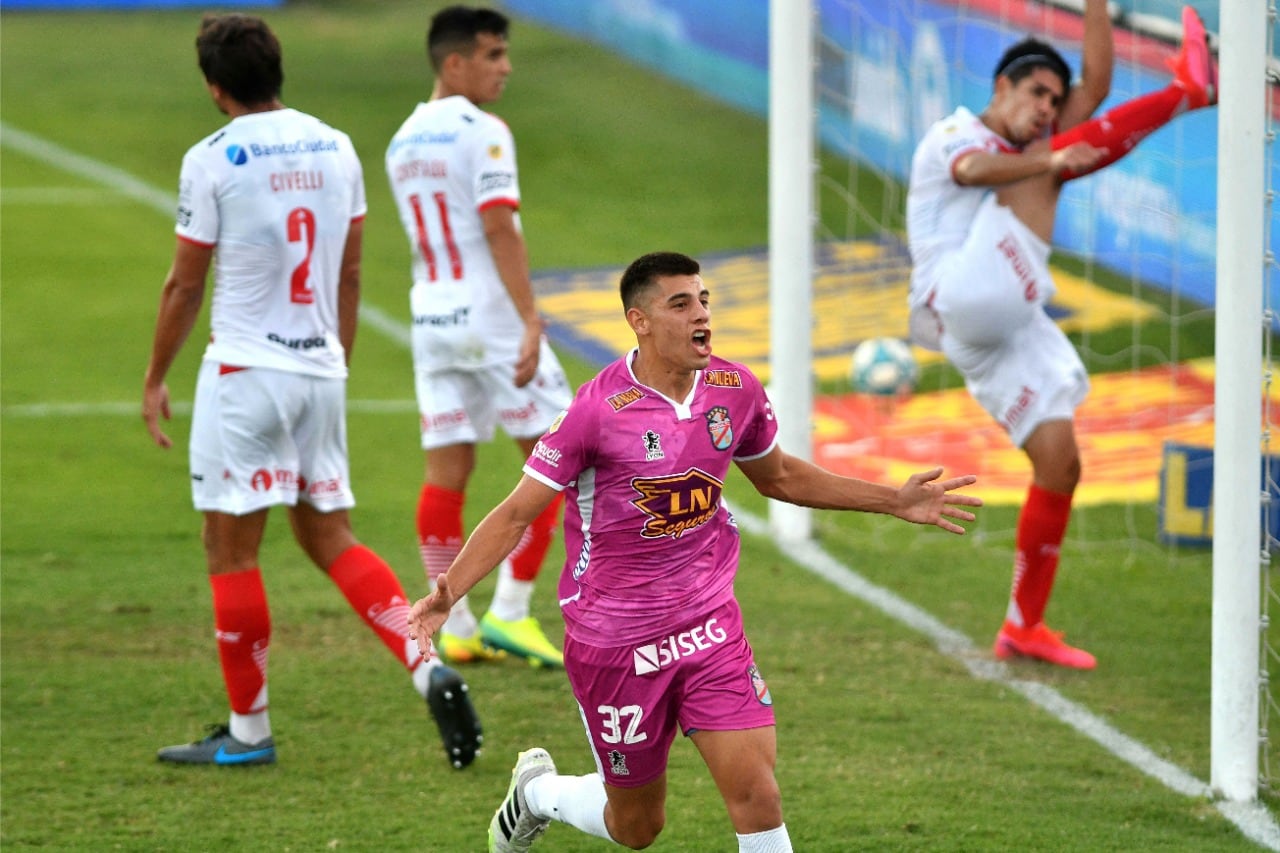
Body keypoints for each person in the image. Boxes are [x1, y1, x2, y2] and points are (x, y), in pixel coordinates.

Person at [407, 251, 983, 851]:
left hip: (709, 626)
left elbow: (779, 476)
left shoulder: (734, 389)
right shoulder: (596, 411)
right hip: (615, 642)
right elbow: (517, 513)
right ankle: (535, 793)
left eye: (704, 300)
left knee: (759, 796)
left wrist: (892, 500)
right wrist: (451, 591)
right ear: (641, 321)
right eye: (680, 304)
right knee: (636, 827)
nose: (700, 314)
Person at [141, 12, 481, 769]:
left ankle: (249, 733)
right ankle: (429, 665)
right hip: (320, 370)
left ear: (214, 85)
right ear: (278, 68)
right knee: (331, 535)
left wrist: (157, 374)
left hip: (245, 374)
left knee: (230, 550)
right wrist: (338, 360)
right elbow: (352, 273)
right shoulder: (336, 146)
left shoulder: (212, 158)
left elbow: (184, 284)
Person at [905, 3, 1218, 670]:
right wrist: (1054, 157)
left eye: (1055, 96)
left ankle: (1024, 624)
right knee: (1050, 164)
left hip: (1000, 326)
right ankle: (1187, 92)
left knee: (1060, 464)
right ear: (1000, 89)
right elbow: (973, 173)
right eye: (1035, 93)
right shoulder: (954, 135)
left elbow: (1097, 87)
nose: (1048, 106)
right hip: (962, 293)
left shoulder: (1032, 144)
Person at [385, 5, 573, 669]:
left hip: (432, 319)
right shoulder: (484, 131)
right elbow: (499, 226)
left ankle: (455, 621)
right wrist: (529, 316)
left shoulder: (402, 139)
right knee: (561, 459)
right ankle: (511, 613)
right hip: (490, 319)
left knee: (447, 473)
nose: (506, 67)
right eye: (493, 55)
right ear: (454, 62)